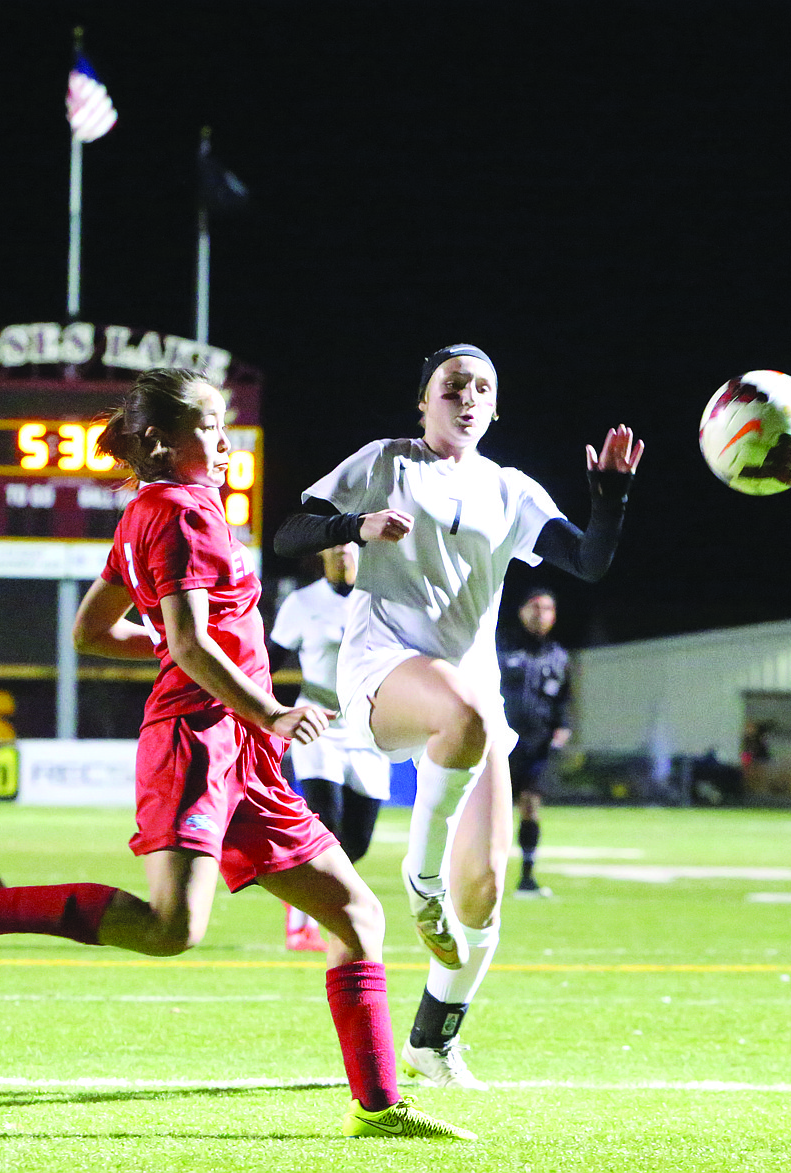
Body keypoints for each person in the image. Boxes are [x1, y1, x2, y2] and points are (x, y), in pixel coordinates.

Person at [0, 368, 475, 1142]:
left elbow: (93, 630)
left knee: (356, 913)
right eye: (209, 425)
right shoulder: (175, 516)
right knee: (173, 927)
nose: (225, 438)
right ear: (165, 441)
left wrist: (234, 699)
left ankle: (377, 1105)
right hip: (197, 742)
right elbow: (193, 643)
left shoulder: (172, 507)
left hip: (245, 751)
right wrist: (270, 709)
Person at [274, 342, 643, 1090]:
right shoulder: (387, 461)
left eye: (482, 388)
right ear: (423, 400)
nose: (467, 397)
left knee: (485, 888)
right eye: (452, 386)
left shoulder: (511, 489)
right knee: (467, 716)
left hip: (470, 705)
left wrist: (610, 495)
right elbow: (288, 533)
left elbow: (590, 561)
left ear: (496, 407)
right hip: (383, 674)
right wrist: (354, 527)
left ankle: (433, 1041)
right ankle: (420, 873)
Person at [270, 542, 390, 952]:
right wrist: (263, 714)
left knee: (357, 841)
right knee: (327, 827)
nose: (342, 554)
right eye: (334, 547)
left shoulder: (382, 600)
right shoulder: (303, 603)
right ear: (321, 555)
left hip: (368, 731)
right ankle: (302, 921)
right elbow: (270, 661)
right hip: (317, 727)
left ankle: (317, 901)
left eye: (349, 547)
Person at [498, 587, 572, 898]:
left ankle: (527, 879)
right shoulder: (501, 648)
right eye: (534, 607)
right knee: (493, 811)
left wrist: (562, 728)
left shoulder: (559, 657)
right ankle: (478, 874)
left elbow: (564, 701)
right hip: (501, 743)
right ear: (521, 611)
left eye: (547, 609)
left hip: (536, 745)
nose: (540, 614)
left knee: (530, 807)